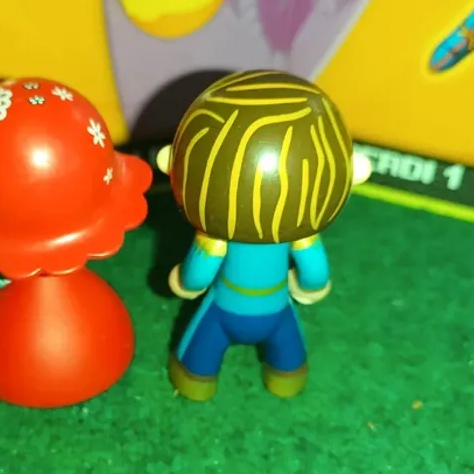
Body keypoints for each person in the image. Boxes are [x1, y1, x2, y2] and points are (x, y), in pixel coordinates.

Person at [156, 69, 372, 401]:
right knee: (289, 355)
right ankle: (286, 377)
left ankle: (196, 381)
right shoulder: (303, 238)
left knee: (198, 358)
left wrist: (184, 283)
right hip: (277, 308)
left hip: (223, 308)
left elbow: (197, 276)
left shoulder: (212, 241)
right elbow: (316, 274)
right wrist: (306, 288)